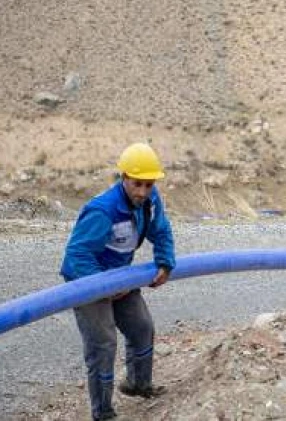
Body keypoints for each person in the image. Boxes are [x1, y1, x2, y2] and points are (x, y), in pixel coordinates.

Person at [60, 142, 176, 421]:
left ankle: (137, 384)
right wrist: (104, 286)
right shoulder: (103, 211)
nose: (143, 192)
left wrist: (165, 261)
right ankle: (103, 413)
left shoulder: (150, 201)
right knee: (103, 344)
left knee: (142, 327)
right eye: (137, 184)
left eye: (149, 185)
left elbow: (161, 230)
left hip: (119, 280)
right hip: (86, 281)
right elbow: (77, 255)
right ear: (123, 177)